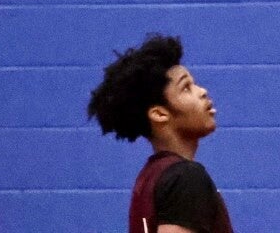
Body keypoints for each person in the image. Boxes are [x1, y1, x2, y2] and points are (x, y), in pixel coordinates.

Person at [86, 33, 233, 233]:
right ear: (159, 114)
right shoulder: (185, 178)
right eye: (186, 87)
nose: (202, 91)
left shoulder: (149, 179)